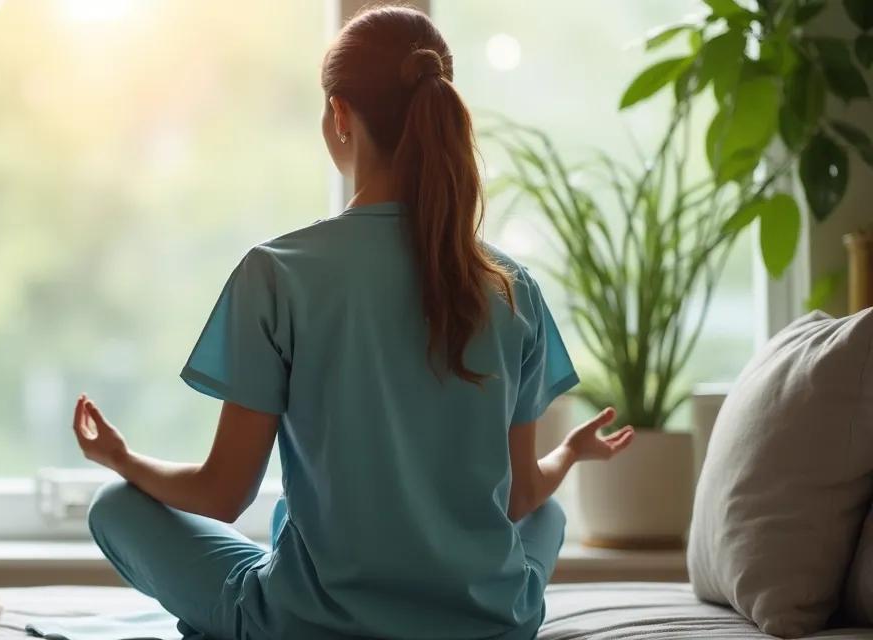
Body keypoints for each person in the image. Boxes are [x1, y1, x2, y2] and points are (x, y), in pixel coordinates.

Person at [69, 6, 636, 640]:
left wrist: (121, 458)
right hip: (490, 625)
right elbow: (522, 496)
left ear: (340, 114)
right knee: (549, 518)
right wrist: (571, 452)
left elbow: (222, 494)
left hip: (311, 624)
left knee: (115, 507)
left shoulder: (277, 273)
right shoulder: (511, 288)